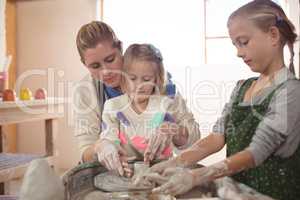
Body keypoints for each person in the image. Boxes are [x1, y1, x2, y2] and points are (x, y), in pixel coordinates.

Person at [135, 1, 300, 199]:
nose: (238, 52)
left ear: (273, 35)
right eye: (235, 44)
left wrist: (198, 176)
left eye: (244, 42)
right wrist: (174, 163)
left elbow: (257, 152)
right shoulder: (243, 87)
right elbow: (217, 138)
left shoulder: (291, 91)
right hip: (237, 191)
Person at [74, 21, 201, 174]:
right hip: (118, 171)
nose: (106, 71)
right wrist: (101, 147)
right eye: (95, 66)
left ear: (120, 48)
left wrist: (173, 130)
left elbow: (194, 139)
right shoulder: (86, 92)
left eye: (110, 59)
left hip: (158, 168)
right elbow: (85, 152)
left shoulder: (159, 83)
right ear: (84, 64)